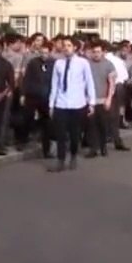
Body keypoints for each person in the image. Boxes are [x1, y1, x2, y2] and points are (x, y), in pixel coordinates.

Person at [47, 37, 95, 172]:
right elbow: (54, 85)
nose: (66, 48)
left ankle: (73, 155)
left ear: (75, 47)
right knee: (60, 134)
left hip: (77, 104)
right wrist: (52, 104)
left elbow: (89, 83)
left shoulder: (83, 63)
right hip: (61, 104)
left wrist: (91, 103)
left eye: (69, 45)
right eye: (64, 45)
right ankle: (60, 160)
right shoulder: (58, 63)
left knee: (75, 135)